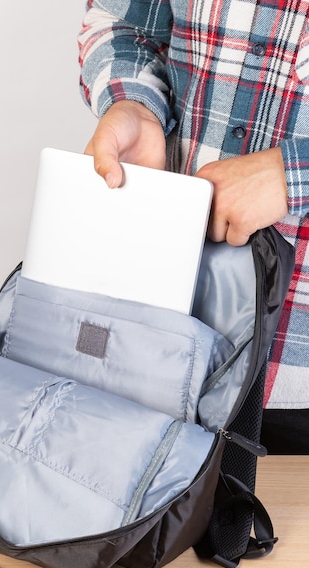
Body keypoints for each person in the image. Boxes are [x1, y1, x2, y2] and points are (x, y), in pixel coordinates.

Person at [78, 0, 309, 453]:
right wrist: (136, 104)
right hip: (158, 335)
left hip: (296, 382)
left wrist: (292, 173)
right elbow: (121, 24)